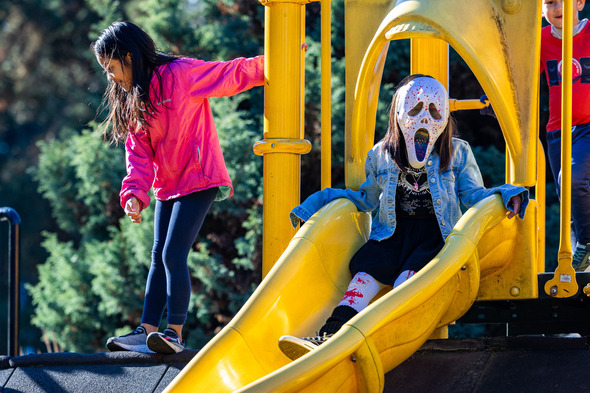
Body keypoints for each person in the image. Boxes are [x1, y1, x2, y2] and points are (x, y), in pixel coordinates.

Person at [278, 75, 529, 361]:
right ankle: (330, 336)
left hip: (433, 238)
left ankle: (370, 340)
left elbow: (473, 194)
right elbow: (365, 198)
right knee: (363, 278)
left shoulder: (456, 152)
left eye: (435, 112)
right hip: (392, 235)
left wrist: (509, 193)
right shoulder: (381, 155)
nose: (425, 119)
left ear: (445, 117)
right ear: (398, 114)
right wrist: (313, 205)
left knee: (405, 284)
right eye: (416, 110)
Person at [91, 21, 264, 354]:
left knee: (173, 253)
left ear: (128, 56)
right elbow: (137, 155)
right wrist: (133, 195)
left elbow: (228, 74)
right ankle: (147, 329)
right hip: (168, 185)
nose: (109, 76)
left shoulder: (180, 73)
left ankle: (174, 332)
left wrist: (273, 64)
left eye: (111, 68)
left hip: (199, 178)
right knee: (158, 256)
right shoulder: (133, 98)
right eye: (105, 70)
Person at [539, 0, 590, 271]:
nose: (557, 7)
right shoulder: (541, 41)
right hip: (557, 130)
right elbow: (520, 78)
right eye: (549, 2)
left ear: (580, 2)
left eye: (564, 0)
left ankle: (588, 243)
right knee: (567, 198)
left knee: (571, 179)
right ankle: (579, 265)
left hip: (588, 125)